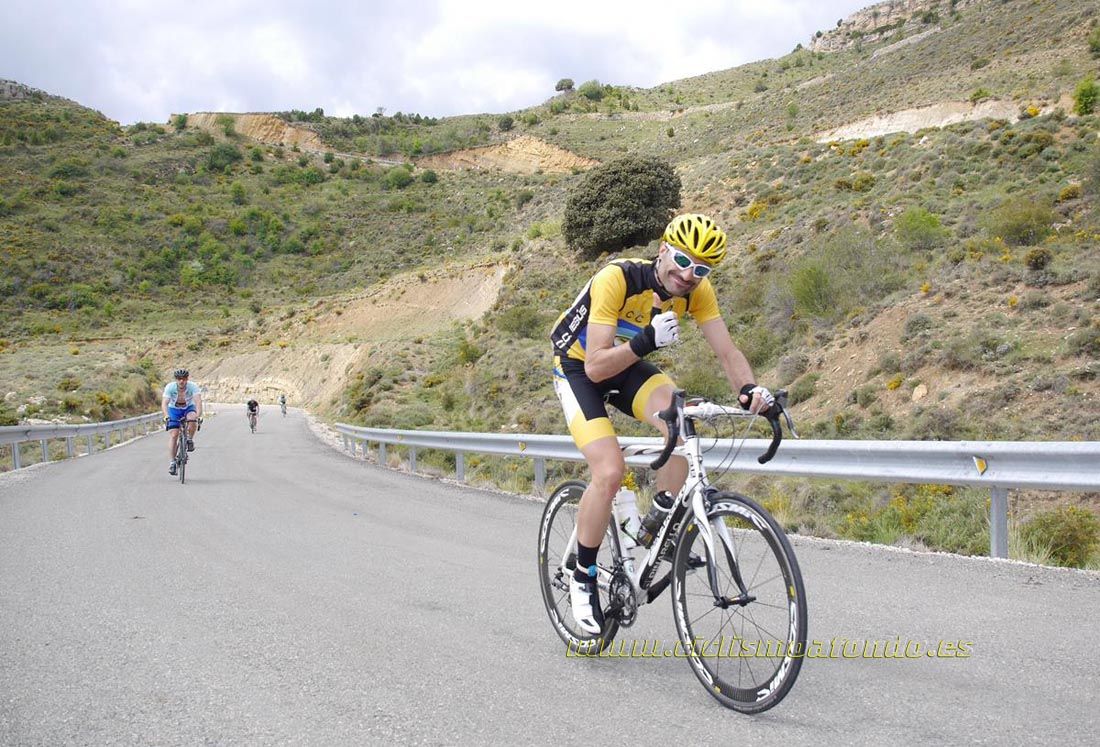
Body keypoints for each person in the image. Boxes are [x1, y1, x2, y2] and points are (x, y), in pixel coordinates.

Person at [549, 213, 775, 635]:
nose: (689, 275)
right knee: (610, 471)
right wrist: (646, 341)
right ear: (663, 250)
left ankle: (658, 522)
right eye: (683, 260)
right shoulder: (616, 279)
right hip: (581, 367)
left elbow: (727, 352)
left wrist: (750, 390)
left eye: (702, 268)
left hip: (627, 361)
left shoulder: (698, 293)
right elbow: (597, 366)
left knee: (680, 417)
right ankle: (582, 575)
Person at [162, 368, 203, 476]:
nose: (181, 381)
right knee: (174, 435)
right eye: (179, 379)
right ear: (176, 379)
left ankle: (189, 439)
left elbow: (198, 401)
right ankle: (172, 462)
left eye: (184, 379)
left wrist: (198, 416)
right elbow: (165, 403)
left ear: (187, 379)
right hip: (174, 409)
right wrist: (166, 416)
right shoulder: (170, 387)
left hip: (188, 408)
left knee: (192, 418)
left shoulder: (192, 386)